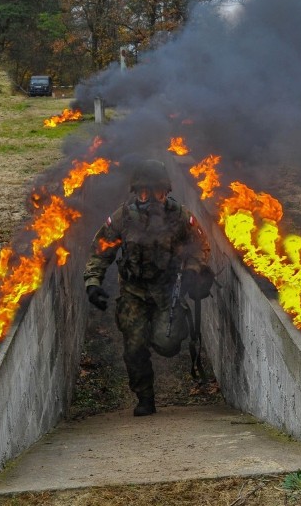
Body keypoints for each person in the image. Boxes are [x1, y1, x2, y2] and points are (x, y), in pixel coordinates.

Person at [83, 159, 213, 417]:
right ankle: (145, 396)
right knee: (134, 346)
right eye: (145, 193)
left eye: (158, 193)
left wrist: (192, 270)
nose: (152, 200)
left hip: (168, 290)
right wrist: (93, 284)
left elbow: (201, 246)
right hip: (134, 292)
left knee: (167, 343)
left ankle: (160, 333)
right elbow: (100, 252)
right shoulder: (123, 217)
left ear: (167, 192)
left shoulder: (179, 216)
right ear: (136, 193)